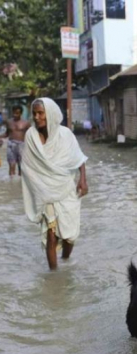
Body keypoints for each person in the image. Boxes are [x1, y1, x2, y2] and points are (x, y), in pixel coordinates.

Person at [21, 98, 88, 270]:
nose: (36, 117)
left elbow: (78, 157)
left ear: (49, 113)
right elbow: (28, 166)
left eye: (40, 113)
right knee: (51, 235)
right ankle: (54, 275)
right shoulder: (31, 136)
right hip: (44, 192)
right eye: (34, 113)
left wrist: (82, 180)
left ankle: (65, 260)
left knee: (69, 236)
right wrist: (38, 187)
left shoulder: (65, 134)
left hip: (65, 188)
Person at [0, 105, 30, 176]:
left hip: (22, 145)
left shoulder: (26, 123)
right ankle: (12, 183)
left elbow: (31, 135)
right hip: (11, 145)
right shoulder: (9, 122)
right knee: (11, 165)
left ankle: (20, 183)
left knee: (21, 166)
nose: (15, 115)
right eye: (14, 113)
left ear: (21, 113)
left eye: (17, 113)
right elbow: (7, 134)